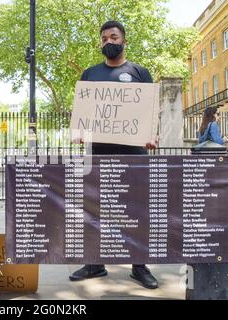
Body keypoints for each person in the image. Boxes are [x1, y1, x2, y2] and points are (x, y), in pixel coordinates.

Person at [69, 20, 159, 289]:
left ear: (124, 41)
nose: (109, 41)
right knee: (95, 210)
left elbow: (150, 113)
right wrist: (78, 132)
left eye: (114, 37)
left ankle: (139, 266)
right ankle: (95, 264)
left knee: (137, 211)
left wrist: (152, 134)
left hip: (134, 155)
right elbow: (82, 115)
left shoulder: (140, 72)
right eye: (104, 38)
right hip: (98, 154)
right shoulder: (89, 74)